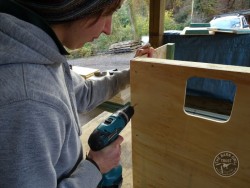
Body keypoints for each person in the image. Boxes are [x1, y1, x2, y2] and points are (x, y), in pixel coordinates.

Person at [0, 0, 154, 187]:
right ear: (76, 5)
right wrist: (96, 167)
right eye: (106, 13)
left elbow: (83, 94)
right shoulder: (28, 100)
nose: (109, 29)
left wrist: (130, 74)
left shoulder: (39, 50)